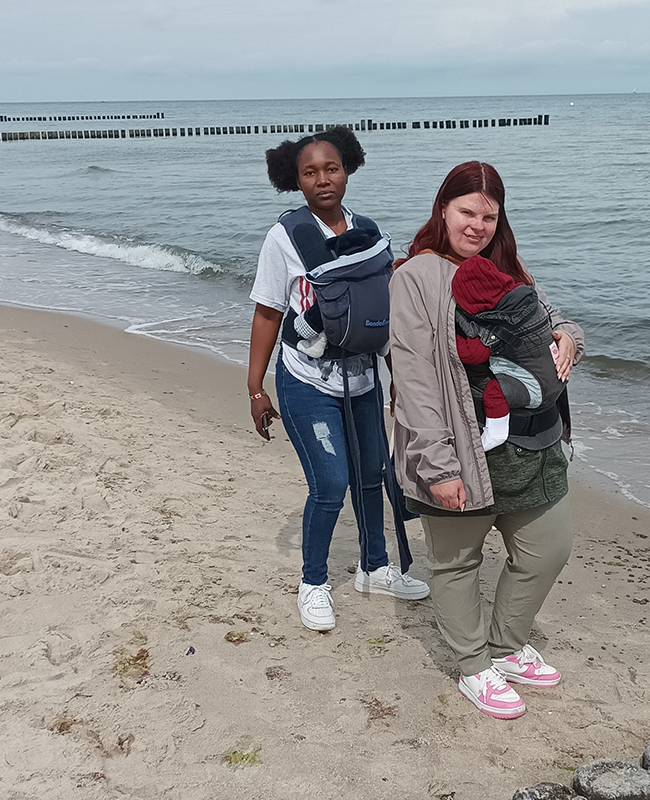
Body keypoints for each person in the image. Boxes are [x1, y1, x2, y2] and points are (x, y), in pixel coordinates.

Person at [389, 161, 583, 719]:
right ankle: (474, 666)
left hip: (532, 443)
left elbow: (553, 320)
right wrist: (437, 464)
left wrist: (569, 338)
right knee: (456, 563)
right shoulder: (417, 277)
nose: (477, 225)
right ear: (443, 209)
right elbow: (415, 377)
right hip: (459, 447)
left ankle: (506, 643)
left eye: (488, 216)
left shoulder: (507, 266)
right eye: (466, 212)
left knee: (548, 549)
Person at [247, 126, 429, 633]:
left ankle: (374, 568)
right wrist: (256, 388)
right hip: (307, 380)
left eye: (331, 168)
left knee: (374, 478)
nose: (322, 179)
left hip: (364, 379)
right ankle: (312, 583)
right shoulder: (285, 237)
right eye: (310, 172)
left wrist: (396, 378)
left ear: (347, 168)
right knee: (330, 485)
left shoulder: (371, 234)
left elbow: (385, 312)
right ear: (295, 180)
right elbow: (267, 312)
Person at [451, 253, 566, 452]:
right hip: (557, 379)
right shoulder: (526, 299)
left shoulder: (499, 321)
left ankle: (496, 433)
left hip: (535, 388)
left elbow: (474, 354)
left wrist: (451, 336)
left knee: (495, 393)